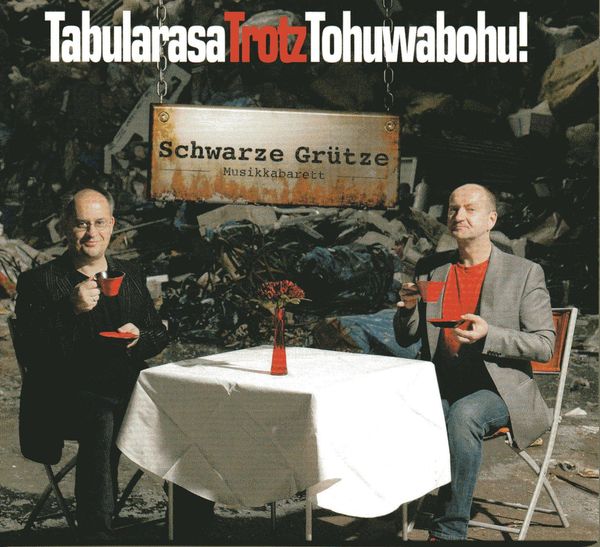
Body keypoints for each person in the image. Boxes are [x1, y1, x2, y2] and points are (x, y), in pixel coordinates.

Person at [394, 183, 555, 541]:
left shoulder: (524, 273)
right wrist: (408, 309)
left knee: (463, 414)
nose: (459, 215)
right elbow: (408, 337)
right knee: (400, 409)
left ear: (491, 219)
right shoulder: (430, 268)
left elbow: (544, 345)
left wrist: (490, 335)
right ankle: (380, 503)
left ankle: (449, 532)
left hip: (498, 390)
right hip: (441, 383)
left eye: (470, 208)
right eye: (453, 208)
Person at [15, 187, 169, 542]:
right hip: (66, 397)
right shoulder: (40, 281)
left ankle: (188, 519)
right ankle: (95, 533)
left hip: (125, 392)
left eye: (99, 223)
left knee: (184, 401)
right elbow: (33, 350)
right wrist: (69, 309)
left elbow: (158, 334)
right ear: (65, 226)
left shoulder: (130, 274)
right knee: (100, 414)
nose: (91, 233)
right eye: (82, 223)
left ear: (112, 225)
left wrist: (139, 336)